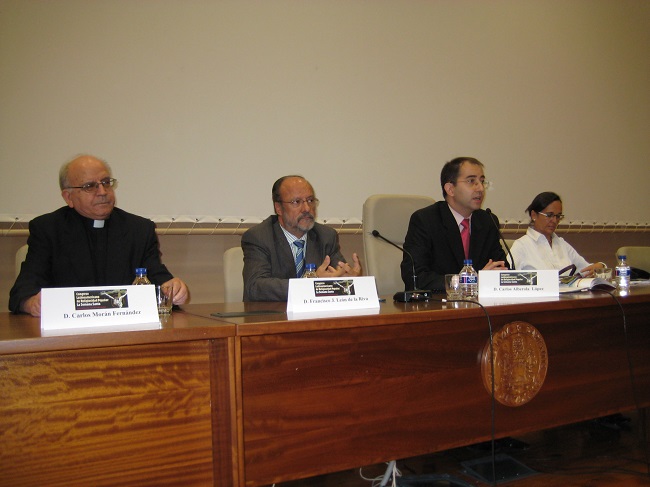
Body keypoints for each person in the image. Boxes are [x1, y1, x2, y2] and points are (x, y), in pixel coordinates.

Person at [9, 154, 189, 316]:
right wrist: (31, 303)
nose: (102, 192)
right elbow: (23, 291)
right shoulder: (48, 229)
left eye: (106, 182)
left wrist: (174, 290)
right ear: (68, 197)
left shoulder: (139, 229)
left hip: (126, 333)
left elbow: (159, 281)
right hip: (67, 336)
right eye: (90, 186)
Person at [242, 175, 362, 301]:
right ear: (278, 208)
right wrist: (312, 283)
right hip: (274, 316)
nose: (306, 208)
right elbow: (255, 287)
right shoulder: (259, 237)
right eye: (296, 202)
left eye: (310, 200)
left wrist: (350, 280)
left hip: (315, 317)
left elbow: (340, 275)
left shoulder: (326, 236)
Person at [401, 157, 508, 292]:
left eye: (482, 181)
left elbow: (502, 267)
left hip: (480, 305)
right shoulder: (426, 220)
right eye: (471, 181)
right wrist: (470, 281)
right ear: (450, 189)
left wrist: (491, 278)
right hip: (438, 307)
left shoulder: (487, 221)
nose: (480, 188)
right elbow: (415, 277)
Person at [509, 191, 605, 276]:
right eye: (549, 215)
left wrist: (600, 266)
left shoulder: (561, 243)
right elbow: (506, 278)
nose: (554, 220)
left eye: (558, 216)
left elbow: (585, 269)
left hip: (567, 295)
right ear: (534, 215)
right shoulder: (522, 246)